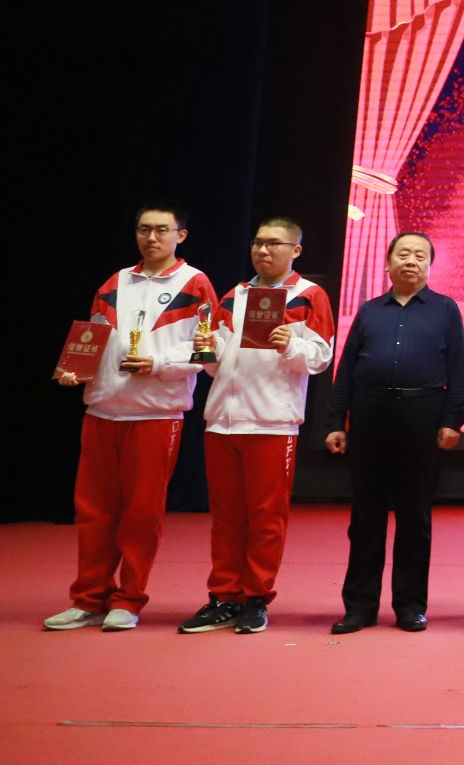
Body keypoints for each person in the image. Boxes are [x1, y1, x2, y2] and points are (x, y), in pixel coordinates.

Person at [45, 205, 219, 631]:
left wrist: (158, 363)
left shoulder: (195, 282)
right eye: (144, 229)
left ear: (181, 235)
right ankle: (89, 597)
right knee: (93, 513)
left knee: (141, 514)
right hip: (102, 410)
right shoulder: (115, 281)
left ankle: (129, 599)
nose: (151, 238)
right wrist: (76, 369)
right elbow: (92, 337)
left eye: (161, 230)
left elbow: (206, 349)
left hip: (155, 414)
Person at [177, 218, 335, 635]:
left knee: (266, 518)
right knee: (226, 518)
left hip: (272, 422)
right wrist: (206, 350)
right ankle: (223, 596)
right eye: (258, 243)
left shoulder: (309, 295)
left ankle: (255, 598)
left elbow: (321, 357)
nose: (263, 250)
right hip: (222, 421)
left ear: (295, 250)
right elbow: (217, 365)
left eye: (274, 243)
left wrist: (291, 344)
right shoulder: (234, 295)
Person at [322, 231, 464, 634]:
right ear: (388, 263)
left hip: (423, 415)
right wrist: (335, 422)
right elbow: (346, 370)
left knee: (414, 517)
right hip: (369, 415)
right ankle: (360, 607)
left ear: (429, 265)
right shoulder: (369, 311)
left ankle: (410, 605)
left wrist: (453, 420)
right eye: (403, 254)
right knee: (365, 517)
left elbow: (458, 371)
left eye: (420, 256)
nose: (411, 261)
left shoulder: (445, 309)